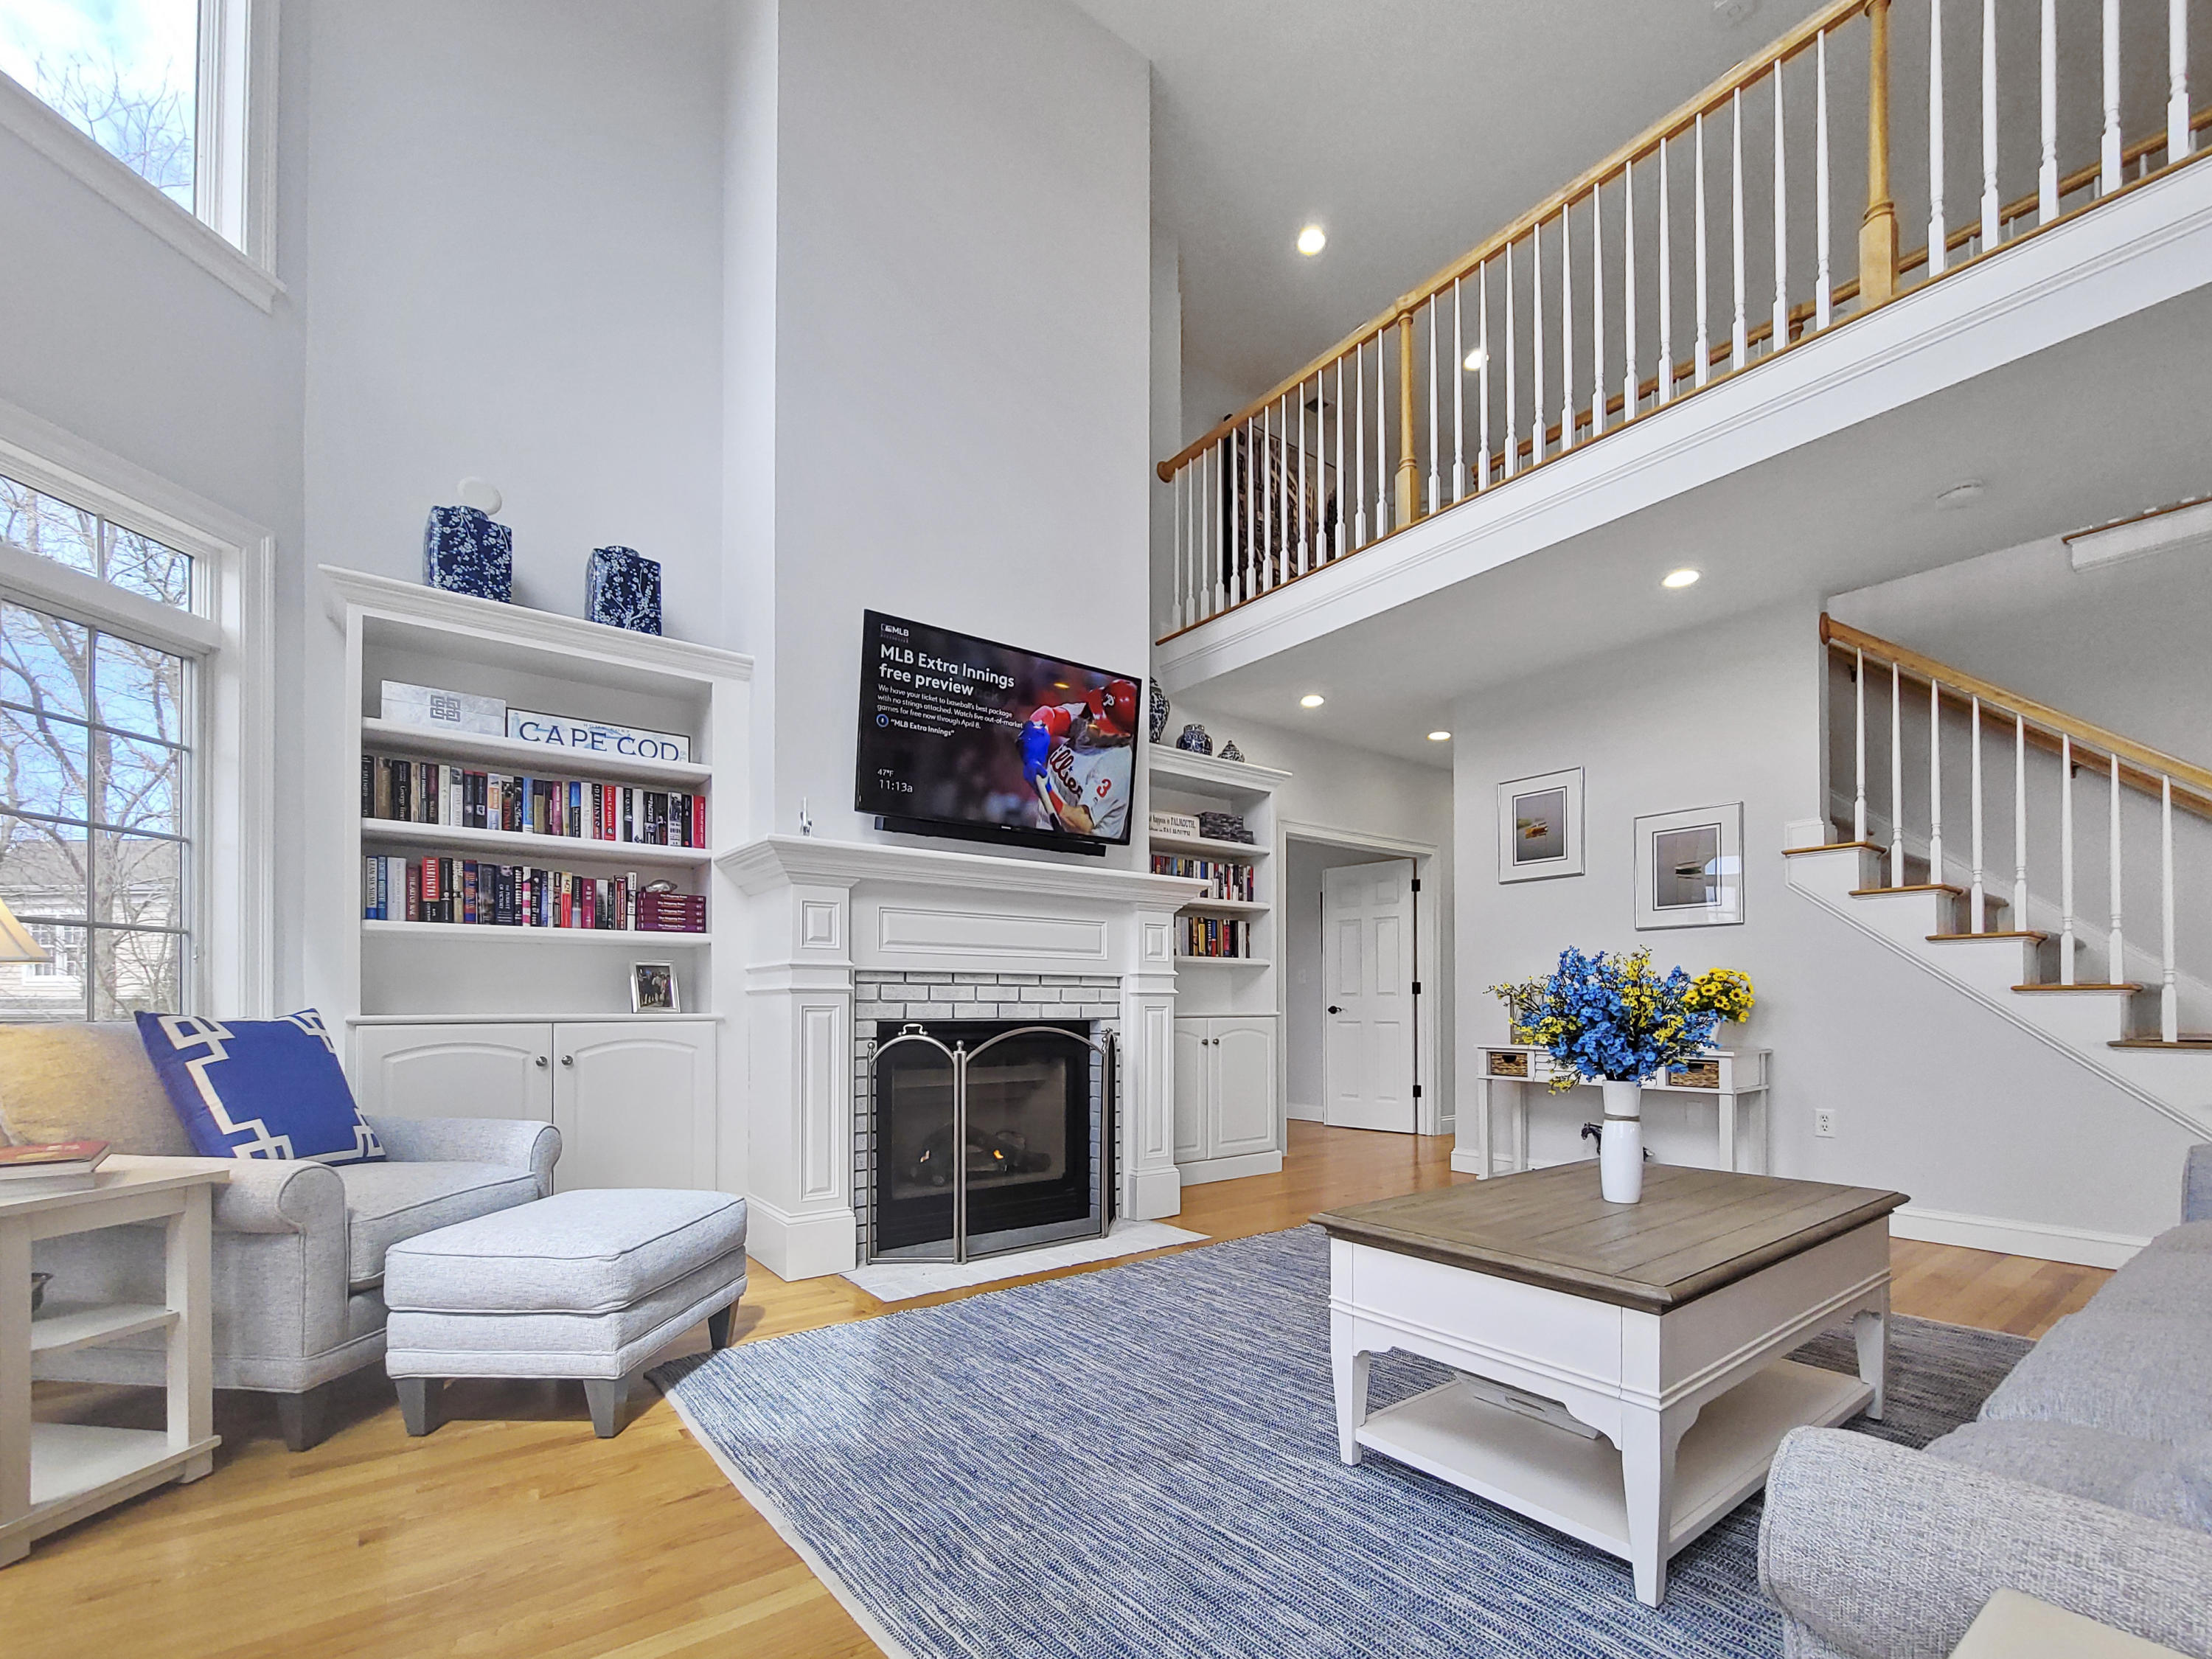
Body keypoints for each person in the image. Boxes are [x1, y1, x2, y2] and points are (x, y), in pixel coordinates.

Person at [1019, 678, 1138, 839]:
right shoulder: (1088, 716)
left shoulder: (1117, 765)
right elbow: (1049, 714)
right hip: (1045, 832)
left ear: (1124, 735)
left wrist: (1046, 789)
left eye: (1102, 722)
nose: (1093, 722)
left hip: (1080, 848)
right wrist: (1035, 734)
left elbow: (1081, 823)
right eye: (1097, 712)